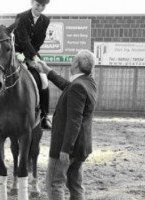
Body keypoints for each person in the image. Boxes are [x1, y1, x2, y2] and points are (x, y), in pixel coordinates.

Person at [0, 0, 52, 129]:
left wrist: (28, 56)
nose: (40, 8)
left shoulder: (45, 21)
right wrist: (22, 54)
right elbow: (23, 39)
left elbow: (39, 41)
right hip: (14, 52)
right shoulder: (22, 16)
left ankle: (44, 116)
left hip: (31, 54)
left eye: (43, 6)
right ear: (32, 3)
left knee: (43, 79)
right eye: (38, 5)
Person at [36, 50, 97, 200]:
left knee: (54, 184)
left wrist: (65, 149)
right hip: (82, 146)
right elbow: (67, 86)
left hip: (67, 146)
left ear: (76, 63)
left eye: (73, 60)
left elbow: (74, 121)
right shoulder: (88, 83)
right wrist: (47, 71)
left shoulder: (77, 86)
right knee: (75, 186)